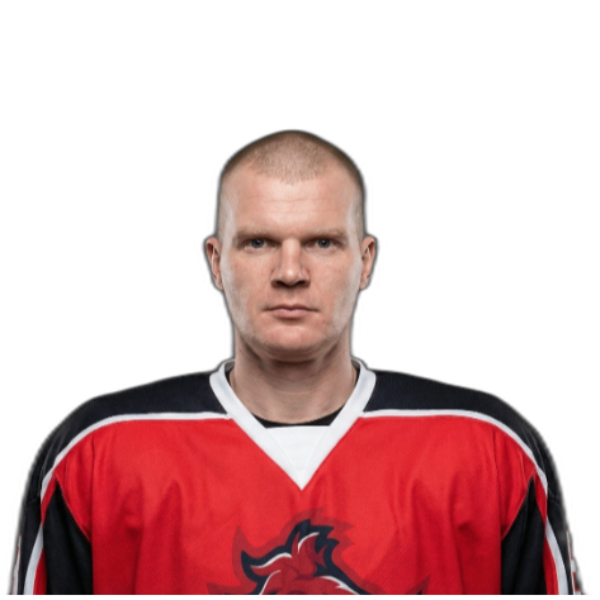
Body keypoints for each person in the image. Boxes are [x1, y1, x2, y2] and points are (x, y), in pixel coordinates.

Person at [11, 131, 582, 596]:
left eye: (322, 243)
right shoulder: (96, 453)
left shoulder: (489, 448)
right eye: (258, 242)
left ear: (365, 261)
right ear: (215, 261)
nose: (290, 272)